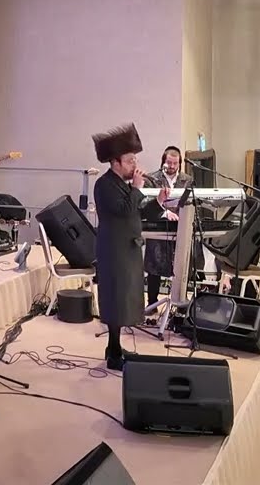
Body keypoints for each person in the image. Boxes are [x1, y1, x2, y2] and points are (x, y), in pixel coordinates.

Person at [91, 124, 171, 371]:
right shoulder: (104, 185)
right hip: (114, 251)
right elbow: (123, 210)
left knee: (126, 298)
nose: (134, 165)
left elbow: (138, 212)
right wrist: (136, 188)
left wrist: (159, 202)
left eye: (135, 160)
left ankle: (114, 347)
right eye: (129, 161)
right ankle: (114, 352)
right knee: (116, 299)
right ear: (115, 162)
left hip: (129, 249)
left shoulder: (123, 185)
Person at [142, 146, 189, 308]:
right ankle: (152, 303)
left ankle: (180, 303)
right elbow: (146, 203)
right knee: (154, 266)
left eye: (175, 163)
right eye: (169, 163)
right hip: (158, 225)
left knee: (181, 266)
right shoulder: (152, 179)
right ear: (163, 162)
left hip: (180, 226)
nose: (172, 166)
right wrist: (164, 212)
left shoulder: (187, 180)